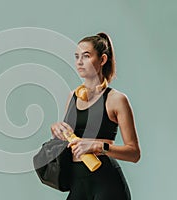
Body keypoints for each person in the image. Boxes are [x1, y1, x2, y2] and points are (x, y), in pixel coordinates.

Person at [50, 32, 141, 200]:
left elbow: (134, 153)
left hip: (106, 183)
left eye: (86, 56)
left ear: (103, 60)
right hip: (78, 182)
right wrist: (57, 130)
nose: (79, 62)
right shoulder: (73, 96)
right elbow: (67, 141)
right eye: (77, 56)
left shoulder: (116, 99)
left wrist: (98, 146)